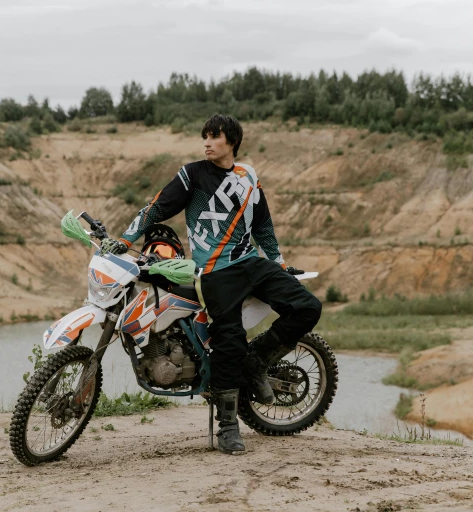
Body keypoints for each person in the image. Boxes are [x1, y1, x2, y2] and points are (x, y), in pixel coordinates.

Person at [101, 114, 322, 454]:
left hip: (251, 262)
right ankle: (229, 427)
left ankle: (258, 360)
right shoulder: (193, 174)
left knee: (308, 307)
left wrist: (277, 263)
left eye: (214, 136)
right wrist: (125, 237)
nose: (206, 142)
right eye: (204, 136)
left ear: (231, 141)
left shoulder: (248, 176)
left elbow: (263, 225)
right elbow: (157, 207)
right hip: (215, 271)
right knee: (229, 340)